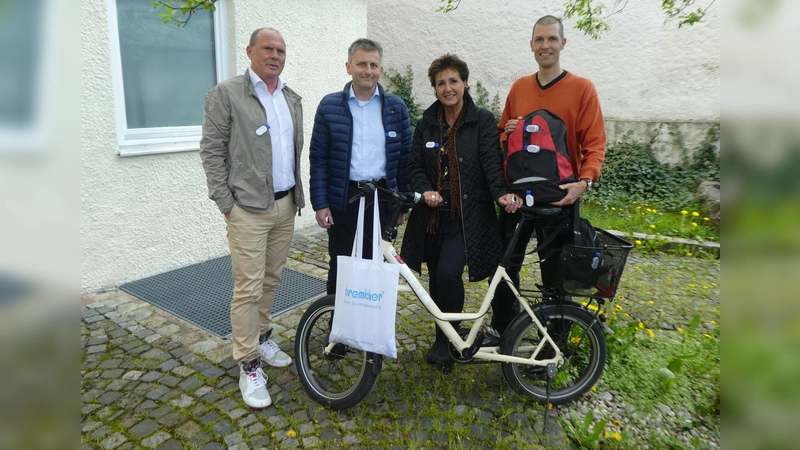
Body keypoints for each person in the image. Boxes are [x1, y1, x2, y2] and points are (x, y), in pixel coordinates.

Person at [199, 27, 302, 409]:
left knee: (272, 278)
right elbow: (211, 152)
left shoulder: (291, 97)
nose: (275, 55)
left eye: (280, 49)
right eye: (268, 48)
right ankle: (248, 362)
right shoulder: (226, 94)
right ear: (250, 51)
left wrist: (295, 198)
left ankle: (261, 336)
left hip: (285, 205)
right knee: (248, 286)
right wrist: (226, 202)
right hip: (247, 209)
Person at [400, 54, 521, 371]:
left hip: (466, 218)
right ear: (435, 88)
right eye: (441, 83)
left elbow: (491, 164)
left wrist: (502, 193)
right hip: (432, 217)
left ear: (465, 83)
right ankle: (442, 340)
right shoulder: (427, 122)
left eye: (453, 80)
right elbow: (414, 165)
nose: (447, 88)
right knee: (437, 283)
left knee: (448, 273)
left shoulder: (480, 120)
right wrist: (425, 188)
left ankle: (453, 339)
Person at [490, 15, 607, 334]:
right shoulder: (520, 87)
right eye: (539, 40)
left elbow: (595, 142)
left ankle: (557, 342)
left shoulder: (582, 89)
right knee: (503, 266)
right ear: (531, 45)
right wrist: (509, 132)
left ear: (563, 43)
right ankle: (503, 328)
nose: (545, 45)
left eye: (552, 39)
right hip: (517, 198)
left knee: (555, 272)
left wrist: (584, 182)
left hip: (559, 198)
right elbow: (502, 135)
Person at [309, 38, 412, 295]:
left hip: (383, 199)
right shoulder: (329, 106)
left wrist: (404, 204)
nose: (368, 70)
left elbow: (405, 160)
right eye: (362, 64)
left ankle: (371, 329)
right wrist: (321, 204)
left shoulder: (396, 108)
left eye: (374, 65)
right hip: (344, 200)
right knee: (341, 264)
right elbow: (319, 158)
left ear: (380, 68)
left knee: (377, 264)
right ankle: (338, 328)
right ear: (348, 67)